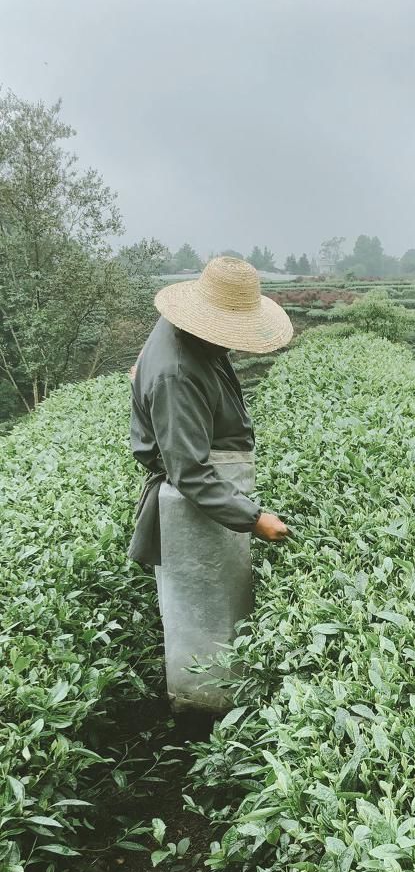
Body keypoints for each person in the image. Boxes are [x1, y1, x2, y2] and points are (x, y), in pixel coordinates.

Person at [128, 256, 293, 721]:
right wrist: (254, 518)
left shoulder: (182, 334)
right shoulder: (177, 373)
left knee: (223, 612)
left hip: (213, 497)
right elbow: (190, 472)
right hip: (194, 507)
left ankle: (220, 702)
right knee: (202, 622)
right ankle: (201, 712)